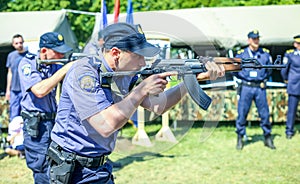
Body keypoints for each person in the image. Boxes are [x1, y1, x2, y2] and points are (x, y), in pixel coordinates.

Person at [48, 22, 225, 183]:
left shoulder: (126, 74)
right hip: (71, 170)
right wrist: (141, 90)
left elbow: (157, 106)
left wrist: (190, 81)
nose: (143, 63)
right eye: (139, 56)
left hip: (98, 168)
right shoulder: (85, 72)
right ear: (116, 53)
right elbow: (104, 125)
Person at [18, 32, 74, 183]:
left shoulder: (54, 65)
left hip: (53, 122)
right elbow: (40, 91)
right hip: (37, 125)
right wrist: (65, 69)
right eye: (58, 51)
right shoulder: (27, 63)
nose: (62, 54)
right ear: (44, 51)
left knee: (58, 163)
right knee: (42, 167)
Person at [234, 30, 275, 150]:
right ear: (248, 40)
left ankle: (267, 137)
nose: (256, 41)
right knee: (242, 113)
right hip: (246, 87)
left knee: (264, 114)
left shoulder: (265, 54)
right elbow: (234, 70)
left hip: (259, 87)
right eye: (253, 39)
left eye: (257, 38)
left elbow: (269, 70)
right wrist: (242, 78)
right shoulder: (241, 54)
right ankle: (240, 138)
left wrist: (262, 79)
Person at [281, 35, 300, 139]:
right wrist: (286, 80)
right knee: (292, 110)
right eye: (298, 44)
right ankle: (289, 131)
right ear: (295, 44)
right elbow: (284, 69)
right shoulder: (290, 55)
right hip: (295, 85)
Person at [5, 34, 28, 121]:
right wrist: (8, 90)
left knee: (25, 113)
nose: (19, 45)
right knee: (13, 113)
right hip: (14, 90)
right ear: (13, 44)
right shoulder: (11, 56)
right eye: (17, 43)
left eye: (21, 42)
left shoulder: (29, 56)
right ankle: (13, 132)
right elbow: (10, 73)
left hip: (25, 90)